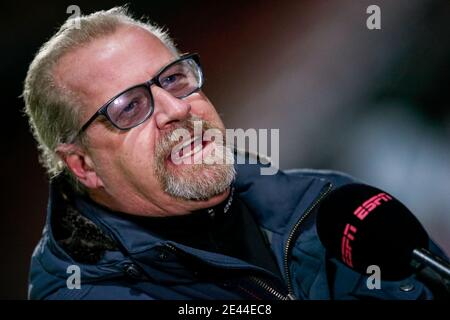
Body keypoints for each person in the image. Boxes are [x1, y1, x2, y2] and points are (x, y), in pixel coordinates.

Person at [23, 7, 445, 300]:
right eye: (129, 107)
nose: (177, 108)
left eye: (172, 79)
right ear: (83, 165)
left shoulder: (333, 206)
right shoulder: (88, 292)